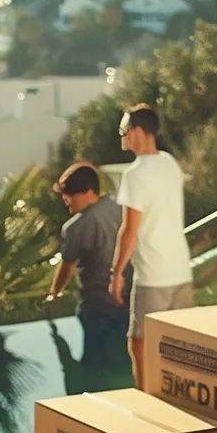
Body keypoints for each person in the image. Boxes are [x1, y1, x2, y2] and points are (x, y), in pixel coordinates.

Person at [107, 104, 195, 389]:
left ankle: (148, 401)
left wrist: (116, 273)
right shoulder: (169, 162)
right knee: (180, 342)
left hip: (154, 276)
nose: (121, 138)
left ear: (135, 131)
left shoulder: (134, 174)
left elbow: (129, 230)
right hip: (181, 268)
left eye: (123, 132)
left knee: (139, 342)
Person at [45, 162, 134, 390]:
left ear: (87, 193)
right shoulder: (121, 208)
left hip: (97, 310)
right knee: (126, 371)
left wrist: (55, 293)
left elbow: (67, 266)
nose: (67, 203)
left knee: (93, 377)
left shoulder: (76, 227)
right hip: (129, 305)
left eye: (70, 198)